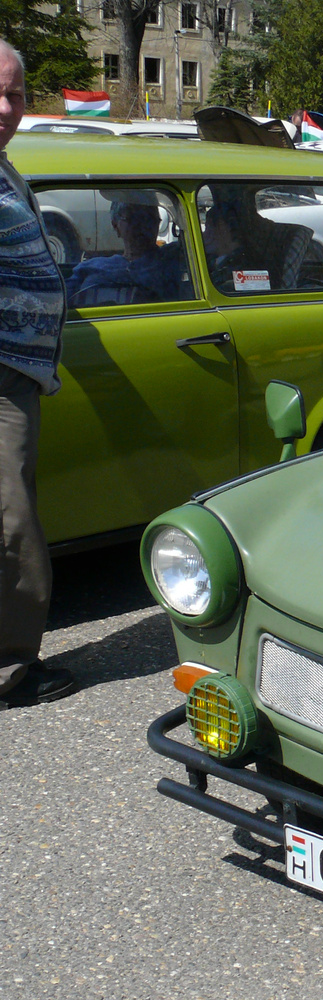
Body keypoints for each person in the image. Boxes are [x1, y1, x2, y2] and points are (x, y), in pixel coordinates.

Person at [0, 41, 74, 708]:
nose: (4, 108)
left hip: (20, 369)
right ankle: (11, 668)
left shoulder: (6, 168)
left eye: (15, 94)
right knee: (10, 520)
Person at [63, 198, 189, 307]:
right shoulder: (90, 267)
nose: (142, 225)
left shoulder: (172, 257)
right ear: (115, 226)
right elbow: (61, 301)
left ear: (158, 222)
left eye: (149, 217)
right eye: (133, 218)